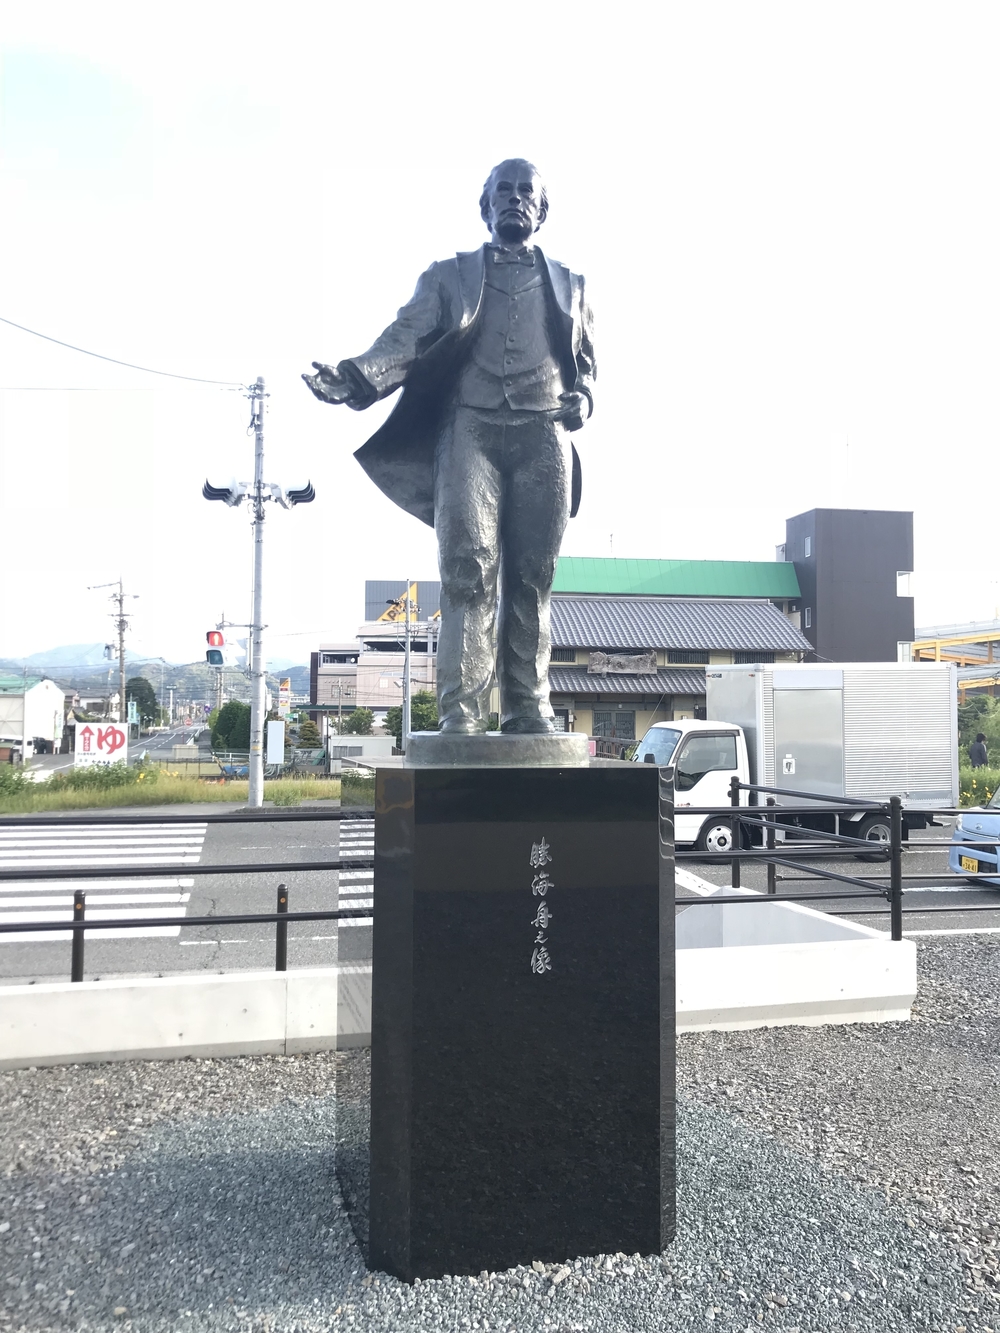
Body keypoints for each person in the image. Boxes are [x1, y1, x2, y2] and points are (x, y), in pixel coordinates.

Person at [303, 159, 595, 736]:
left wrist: (583, 399)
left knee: (534, 575)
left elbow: (585, 368)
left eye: (525, 192)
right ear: (485, 207)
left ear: (541, 209)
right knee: (467, 569)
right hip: (470, 432)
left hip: (544, 436)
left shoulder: (572, 284)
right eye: (502, 192)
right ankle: (461, 710)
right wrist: (359, 375)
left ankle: (527, 706)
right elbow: (405, 337)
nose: (514, 200)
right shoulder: (448, 276)